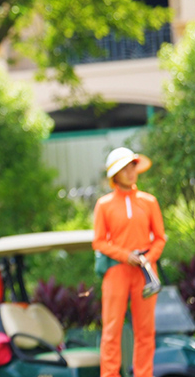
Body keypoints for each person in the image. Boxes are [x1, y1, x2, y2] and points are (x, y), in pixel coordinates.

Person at [93, 146, 167, 377]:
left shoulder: (149, 201)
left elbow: (160, 238)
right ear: (115, 175)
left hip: (145, 273)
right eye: (124, 168)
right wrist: (125, 255)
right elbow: (99, 242)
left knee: (145, 331)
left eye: (132, 166)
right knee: (111, 330)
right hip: (116, 271)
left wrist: (147, 259)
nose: (130, 172)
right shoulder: (104, 204)